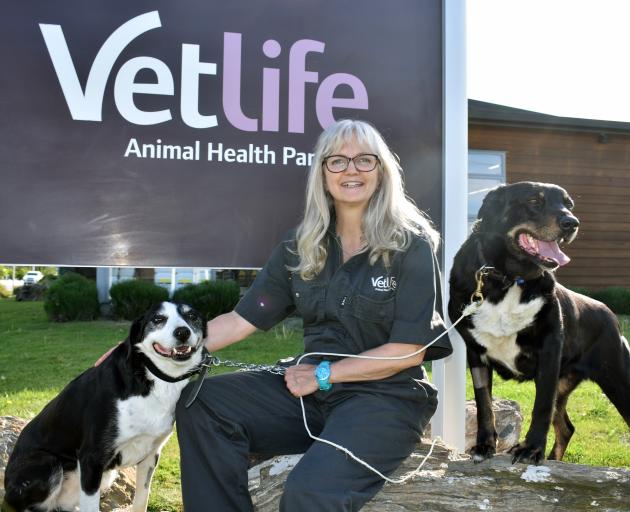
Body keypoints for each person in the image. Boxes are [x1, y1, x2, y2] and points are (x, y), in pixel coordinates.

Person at [175, 119, 453, 511]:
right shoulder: (301, 244)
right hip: (310, 393)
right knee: (200, 401)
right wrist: (147, 353)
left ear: (382, 171)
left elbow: (407, 351)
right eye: (337, 161)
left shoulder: (411, 244)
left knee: (311, 494)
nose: (351, 169)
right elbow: (241, 321)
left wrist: (325, 374)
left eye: (364, 160)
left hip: (384, 400)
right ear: (323, 175)